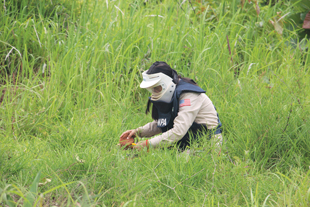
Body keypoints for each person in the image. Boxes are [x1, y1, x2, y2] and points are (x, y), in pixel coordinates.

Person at [120, 61, 223, 151]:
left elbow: (178, 131)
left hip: (207, 144)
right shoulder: (173, 92)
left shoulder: (189, 95)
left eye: (156, 87)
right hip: (188, 143)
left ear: (166, 83)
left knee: (177, 163)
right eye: (150, 89)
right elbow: (163, 123)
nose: (153, 92)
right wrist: (138, 132)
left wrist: (147, 145)